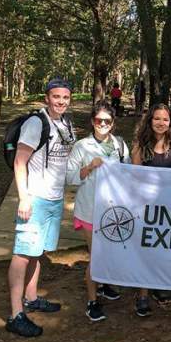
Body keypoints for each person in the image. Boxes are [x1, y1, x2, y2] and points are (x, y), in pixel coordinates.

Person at [6, 78, 76, 338]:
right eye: (56, 96)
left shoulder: (66, 124)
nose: (61, 101)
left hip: (55, 198)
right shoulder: (36, 123)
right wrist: (24, 198)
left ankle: (31, 298)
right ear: (47, 98)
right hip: (35, 198)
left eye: (65, 97)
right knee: (23, 253)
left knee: (37, 252)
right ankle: (15, 314)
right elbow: (19, 161)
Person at [67, 100, 131, 322]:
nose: (102, 124)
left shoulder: (120, 145)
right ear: (92, 121)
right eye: (98, 120)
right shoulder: (81, 146)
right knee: (96, 255)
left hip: (113, 211)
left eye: (107, 121)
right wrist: (89, 167)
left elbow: (127, 173)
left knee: (110, 252)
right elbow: (70, 177)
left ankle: (104, 285)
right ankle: (92, 302)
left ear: (113, 123)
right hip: (90, 210)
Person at [131, 103, 171, 316]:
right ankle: (142, 294)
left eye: (165, 119)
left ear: (170, 122)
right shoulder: (140, 144)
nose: (161, 123)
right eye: (157, 118)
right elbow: (134, 176)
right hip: (147, 206)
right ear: (150, 120)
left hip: (170, 205)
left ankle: (159, 284)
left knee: (164, 246)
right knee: (145, 249)